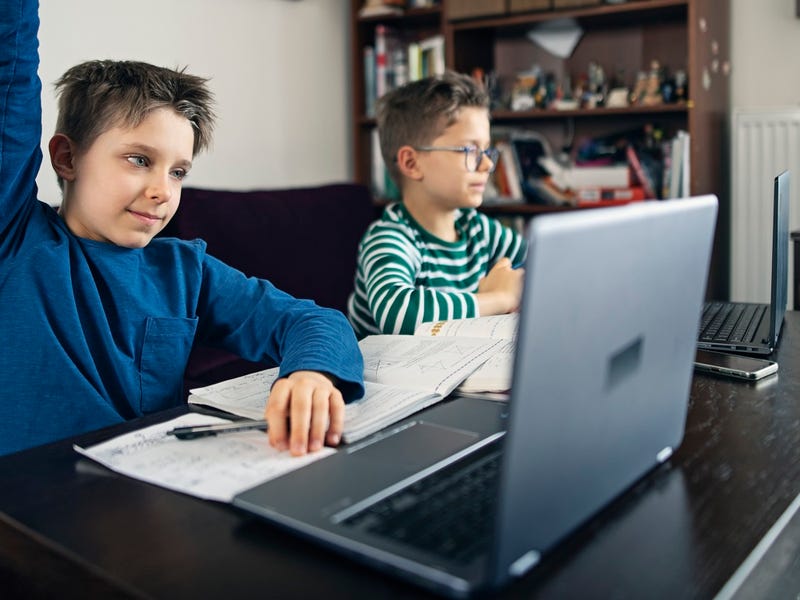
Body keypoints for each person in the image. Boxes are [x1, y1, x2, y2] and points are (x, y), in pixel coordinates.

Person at [0, 0, 364, 457]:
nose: (162, 191)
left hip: (152, 482)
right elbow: (9, 72)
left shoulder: (185, 269)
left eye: (178, 172)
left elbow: (312, 320)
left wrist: (312, 373)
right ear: (67, 158)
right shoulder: (15, 238)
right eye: (139, 160)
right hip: (33, 494)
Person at [347, 71, 527, 338]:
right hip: (390, 365)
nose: (488, 164)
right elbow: (400, 314)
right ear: (411, 163)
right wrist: (500, 298)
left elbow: (545, 265)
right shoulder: (389, 238)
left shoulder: (479, 230)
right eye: (470, 150)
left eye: (487, 150)